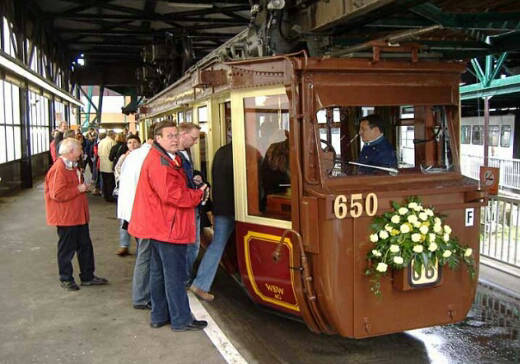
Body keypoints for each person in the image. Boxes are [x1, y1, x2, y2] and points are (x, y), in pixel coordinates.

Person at [129, 121, 209, 331]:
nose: (174, 139)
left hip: (159, 225)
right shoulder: (161, 163)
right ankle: (181, 320)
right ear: (158, 139)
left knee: (159, 273)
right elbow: (174, 195)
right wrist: (199, 194)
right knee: (175, 275)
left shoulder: (162, 158)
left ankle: (159, 315)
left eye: (175, 135)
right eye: (169, 136)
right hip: (169, 227)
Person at [44, 138, 108, 291]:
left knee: (85, 246)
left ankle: (87, 276)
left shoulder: (71, 166)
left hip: (78, 215)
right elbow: (57, 194)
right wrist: (78, 189)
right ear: (71, 152)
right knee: (67, 249)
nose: (81, 151)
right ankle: (66, 279)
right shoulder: (59, 169)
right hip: (67, 217)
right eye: (79, 149)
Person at [190, 141, 235, 302]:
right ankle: (201, 285)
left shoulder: (220, 151)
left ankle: (200, 284)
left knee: (216, 246)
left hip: (222, 207)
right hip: (239, 209)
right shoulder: (247, 152)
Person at [117, 127, 154, 309]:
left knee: (144, 253)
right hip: (142, 213)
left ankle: (143, 295)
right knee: (145, 255)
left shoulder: (134, 155)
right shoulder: (148, 157)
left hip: (132, 212)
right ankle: (141, 297)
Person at [177, 123, 203, 284]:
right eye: (193, 138)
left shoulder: (185, 153)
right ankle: (184, 277)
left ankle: (185, 275)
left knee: (193, 244)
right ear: (182, 134)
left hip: (192, 203)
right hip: (187, 205)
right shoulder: (175, 157)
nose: (195, 142)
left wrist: (196, 177)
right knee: (190, 244)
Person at [114, 135, 141, 257]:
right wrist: (121, 178)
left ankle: (140, 245)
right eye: (129, 142)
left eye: (135, 142)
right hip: (126, 193)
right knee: (124, 220)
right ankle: (124, 244)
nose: (132, 145)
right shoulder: (124, 157)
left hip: (138, 193)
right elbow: (117, 169)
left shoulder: (142, 157)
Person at [98, 130, 117, 201]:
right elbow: (113, 154)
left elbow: (98, 153)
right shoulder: (112, 142)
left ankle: (105, 195)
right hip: (109, 164)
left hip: (102, 164)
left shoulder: (101, 142)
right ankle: (110, 196)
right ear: (112, 135)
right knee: (110, 182)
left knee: (105, 181)